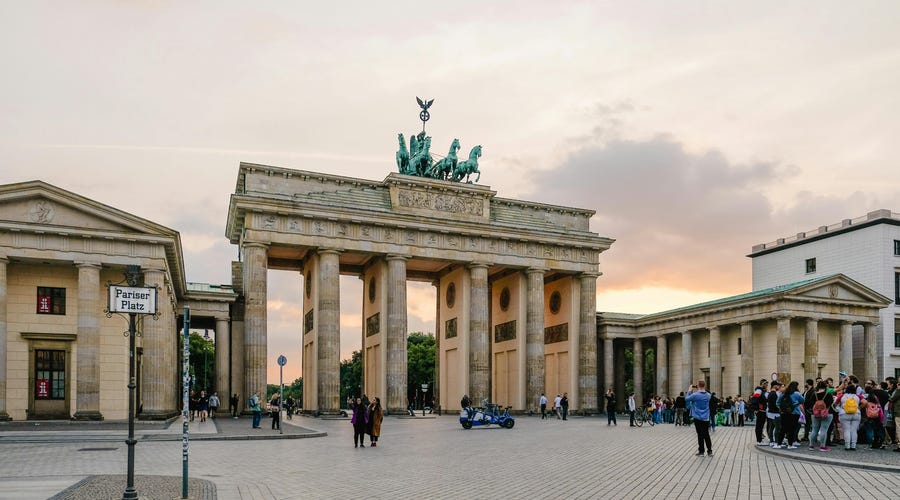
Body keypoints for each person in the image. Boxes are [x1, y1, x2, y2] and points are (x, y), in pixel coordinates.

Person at [686, 380, 713, 457]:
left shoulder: (695, 395)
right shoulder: (708, 395)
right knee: (706, 434)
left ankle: (701, 451)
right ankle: (710, 451)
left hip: (697, 417)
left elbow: (687, 399)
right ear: (704, 385)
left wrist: (689, 390)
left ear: (698, 385)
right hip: (706, 417)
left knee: (700, 434)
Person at [808, 381, 834, 451]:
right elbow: (831, 403)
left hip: (815, 414)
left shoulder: (814, 394)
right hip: (827, 413)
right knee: (824, 429)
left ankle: (811, 445)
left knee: (814, 429)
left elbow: (810, 403)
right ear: (825, 386)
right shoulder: (828, 394)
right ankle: (822, 446)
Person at [837, 383, 863, 450]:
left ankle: (847, 445)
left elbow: (834, 404)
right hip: (856, 413)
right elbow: (865, 402)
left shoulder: (842, 396)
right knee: (854, 430)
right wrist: (859, 407)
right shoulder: (858, 396)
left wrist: (839, 408)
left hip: (844, 414)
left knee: (846, 430)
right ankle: (853, 445)